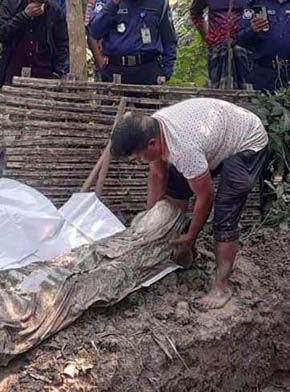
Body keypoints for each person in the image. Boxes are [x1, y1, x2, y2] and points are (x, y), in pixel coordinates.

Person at [109, 99, 269, 310]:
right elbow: (157, 175)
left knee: (225, 215)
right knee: (176, 187)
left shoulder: (183, 149)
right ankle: (185, 249)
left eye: (138, 158)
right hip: (216, 138)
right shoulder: (154, 128)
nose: (138, 161)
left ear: (152, 144)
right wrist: (149, 221)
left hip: (247, 141)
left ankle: (222, 286)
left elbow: (205, 197)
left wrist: (191, 236)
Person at [88, 0, 177, 85]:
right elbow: (95, 31)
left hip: (149, 70)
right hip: (116, 70)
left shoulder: (159, 1)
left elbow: (169, 40)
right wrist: (115, 2)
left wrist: (166, 72)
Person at [0, 0, 70, 86]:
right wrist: (24, 16)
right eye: (33, 1)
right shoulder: (11, 3)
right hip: (14, 73)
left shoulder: (54, 10)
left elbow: (63, 44)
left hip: (45, 75)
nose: (38, 6)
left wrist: (58, 72)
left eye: (42, 2)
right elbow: (1, 34)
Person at [85, 0, 122, 76]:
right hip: (104, 62)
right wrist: (100, 62)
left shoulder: (130, 1)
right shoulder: (95, 1)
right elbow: (91, 35)